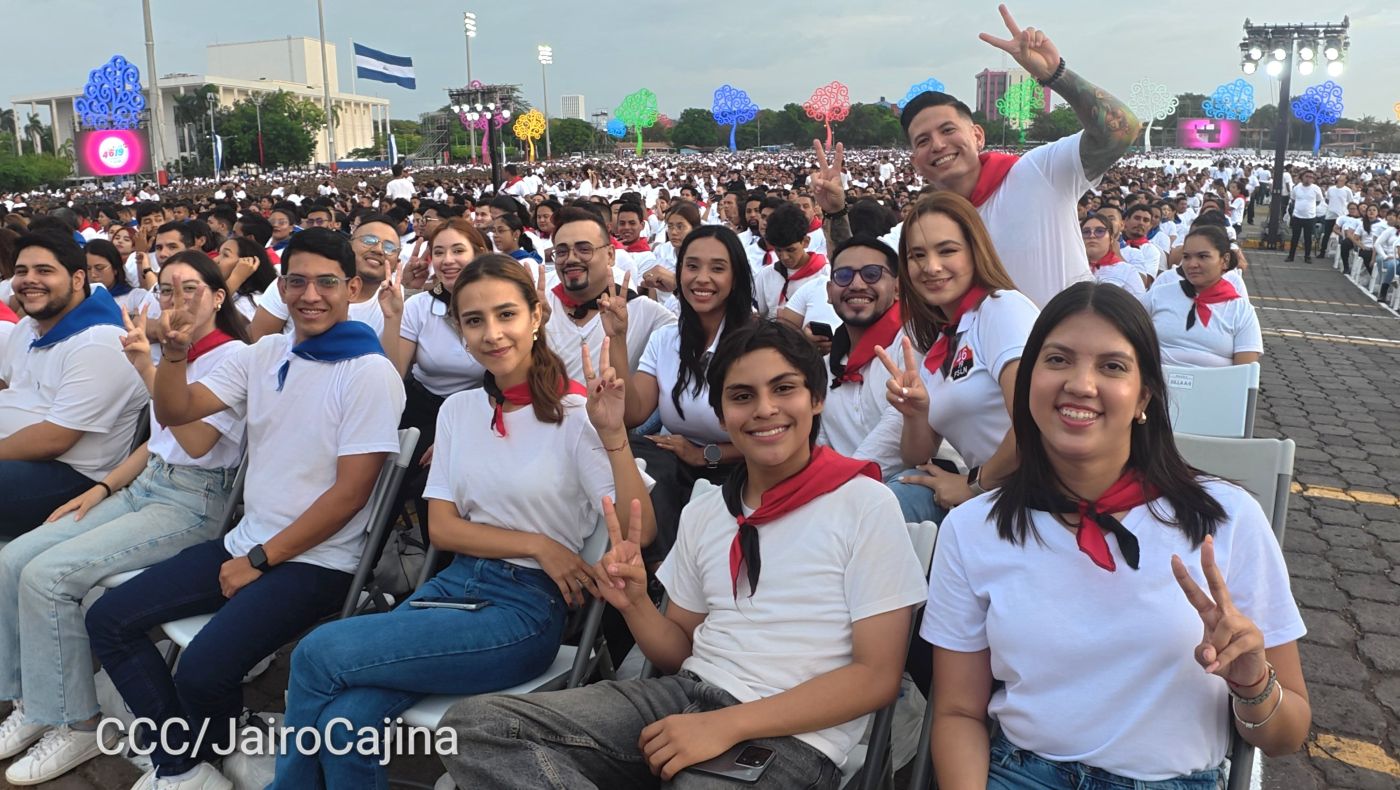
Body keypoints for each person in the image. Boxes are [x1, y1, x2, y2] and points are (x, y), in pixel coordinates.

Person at [440, 320, 928, 790]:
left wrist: (728, 725)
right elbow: (679, 650)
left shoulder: (863, 503)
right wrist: (633, 604)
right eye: (742, 396)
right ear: (720, 414)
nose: (764, 409)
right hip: (681, 698)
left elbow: (876, 678)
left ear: (815, 399)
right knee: (477, 726)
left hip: (791, 735)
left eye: (784, 389)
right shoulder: (709, 511)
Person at [270, 254, 655, 788]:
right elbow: (444, 529)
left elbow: (641, 532)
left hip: (522, 611)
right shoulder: (458, 411)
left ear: (536, 316)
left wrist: (614, 436)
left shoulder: (576, 415)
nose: (492, 333)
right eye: (474, 321)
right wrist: (540, 543)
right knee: (344, 721)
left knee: (315, 652)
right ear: (459, 330)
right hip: (453, 586)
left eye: (505, 315)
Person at [924, 282, 1310, 789]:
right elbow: (956, 713)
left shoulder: (1226, 519)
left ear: (1143, 396)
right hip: (1021, 775)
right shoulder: (974, 529)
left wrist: (1253, 683)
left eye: (1112, 366)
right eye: (1058, 360)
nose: (1081, 384)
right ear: (1028, 383)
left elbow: (1287, 735)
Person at [84, 228, 406, 789]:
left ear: (353, 288)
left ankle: (198, 748)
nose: (311, 295)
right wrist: (176, 357)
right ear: (281, 288)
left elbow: (349, 495)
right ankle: (186, 765)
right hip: (248, 541)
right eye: (298, 281)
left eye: (327, 282)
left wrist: (259, 560)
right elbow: (178, 410)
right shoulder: (266, 352)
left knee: (207, 668)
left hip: (319, 562)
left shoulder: (370, 372)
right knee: (108, 620)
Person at [0, 252, 246, 785]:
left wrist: (152, 366)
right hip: (144, 484)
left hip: (193, 503)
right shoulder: (174, 355)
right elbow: (156, 446)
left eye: (191, 290)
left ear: (219, 297)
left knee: (49, 577)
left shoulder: (233, 358)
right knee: (14, 557)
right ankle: (36, 704)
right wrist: (102, 487)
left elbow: (195, 439)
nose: (176, 301)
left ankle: (79, 723)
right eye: (166, 291)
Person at [816, 5, 1141, 308]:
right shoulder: (922, 230)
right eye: (924, 140)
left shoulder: (1040, 171)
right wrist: (834, 212)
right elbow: (853, 272)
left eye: (948, 130)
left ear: (977, 135)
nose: (939, 145)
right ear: (915, 161)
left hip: (1066, 357)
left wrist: (1056, 74)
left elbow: (1121, 130)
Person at [877, 192, 1039, 512]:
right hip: (998, 498)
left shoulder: (1001, 308)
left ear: (975, 252)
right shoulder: (943, 342)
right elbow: (917, 457)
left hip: (1035, 497)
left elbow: (1034, 420)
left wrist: (974, 484)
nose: (930, 267)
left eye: (947, 250)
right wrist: (916, 413)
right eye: (917, 255)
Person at [0, 231, 149, 537]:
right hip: (20, 457)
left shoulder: (102, 340)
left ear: (78, 279)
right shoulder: (29, 326)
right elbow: (7, 387)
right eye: (20, 271)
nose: (29, 280)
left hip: (69, 475)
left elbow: (54, 439)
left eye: (44, 271)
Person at [619, 225, 754, 560]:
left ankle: (666, 575)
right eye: (692, 267)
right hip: (678, 461)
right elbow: (634, 413)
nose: (701, 278)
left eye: (717, 269)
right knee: (627, 453)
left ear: (735, 278)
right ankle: (657, 569)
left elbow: (772, 437)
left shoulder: (758, 344)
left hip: (744, 465)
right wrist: (617, 339)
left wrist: (704, 454)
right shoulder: (666, 338)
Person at [811, 235, 943, 524]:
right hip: (840, 491)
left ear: (897, 288)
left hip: (907, 485)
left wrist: (838, 488)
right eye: (843, 276)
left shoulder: (916, 344)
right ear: (829, 291)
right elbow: (821, 440)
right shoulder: (823, 366)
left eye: (872, 274)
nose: (857, 284)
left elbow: (895, 431)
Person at [378, 218, 489, 475]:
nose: (447, 260)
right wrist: (392, 317)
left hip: (477, 410)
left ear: (479, 254)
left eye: (458, 251)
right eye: (439, 252)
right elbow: (393, 374)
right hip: (421, 405)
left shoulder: (496, 305)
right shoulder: (420, 306)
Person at [544, 207, 676, 384]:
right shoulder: (541, 308)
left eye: (584, 249)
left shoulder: (642, 311)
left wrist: (680, 290)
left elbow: (699, 338)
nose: (571, 259)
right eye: (561, 252)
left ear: (610, 255)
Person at [249, 214, 396, 339]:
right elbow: (256, 344)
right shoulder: (293, 282)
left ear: (353, 289)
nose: (378, 250)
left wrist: (393, 318)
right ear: (350, 243)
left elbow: (394, 369)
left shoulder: (396, 299)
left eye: (389, 247)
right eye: (369, 240)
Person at [1143, 225, 1261, 369]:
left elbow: (1245, 373)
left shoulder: (1241, 310)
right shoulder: (1158, 295)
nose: (1192, 264)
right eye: (1186, 257)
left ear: (1225, 260)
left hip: (1216, 389)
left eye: (1203, 256)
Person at [754, 203, 829, 320]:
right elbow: (760, 316)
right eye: (778, 250)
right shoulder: (766, 275)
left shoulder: (824, 274)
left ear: (805, 242)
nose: (784, 257)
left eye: (790, 250)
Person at [84, 238, 163, 319]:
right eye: (88, 269)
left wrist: (147, 270)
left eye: (99, 268)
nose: (93, 274)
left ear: (115, 269)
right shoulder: (81, 298)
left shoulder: (135, 297)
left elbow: (158, 299)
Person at [1082, 214, 1145, 298]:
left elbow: (1140, 306)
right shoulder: (1069, 267)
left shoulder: (1126, 270)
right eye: (1086, 232)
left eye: (1100, 231)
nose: (1092, 235)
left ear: (1111, 239)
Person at [214, 236, 278, 319]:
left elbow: (203, 314)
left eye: (225, 255)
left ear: (248, 263)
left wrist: (236, 278)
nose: (215, 260)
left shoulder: (247, 305)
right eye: (219, 253)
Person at [1286, 170, 1324, 263]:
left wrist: (1309, 208)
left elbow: (1318, 201)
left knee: (1308, 238)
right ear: (1302, 177)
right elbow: (1293, 200)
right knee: (1295, 237)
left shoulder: (1316, 188)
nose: (1309, 178)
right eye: (1307, 176)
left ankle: (1307, 256)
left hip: (1310, 217)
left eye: (1311, 177)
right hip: (1297, 216)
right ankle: (1291, 256)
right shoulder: (1296, 187)